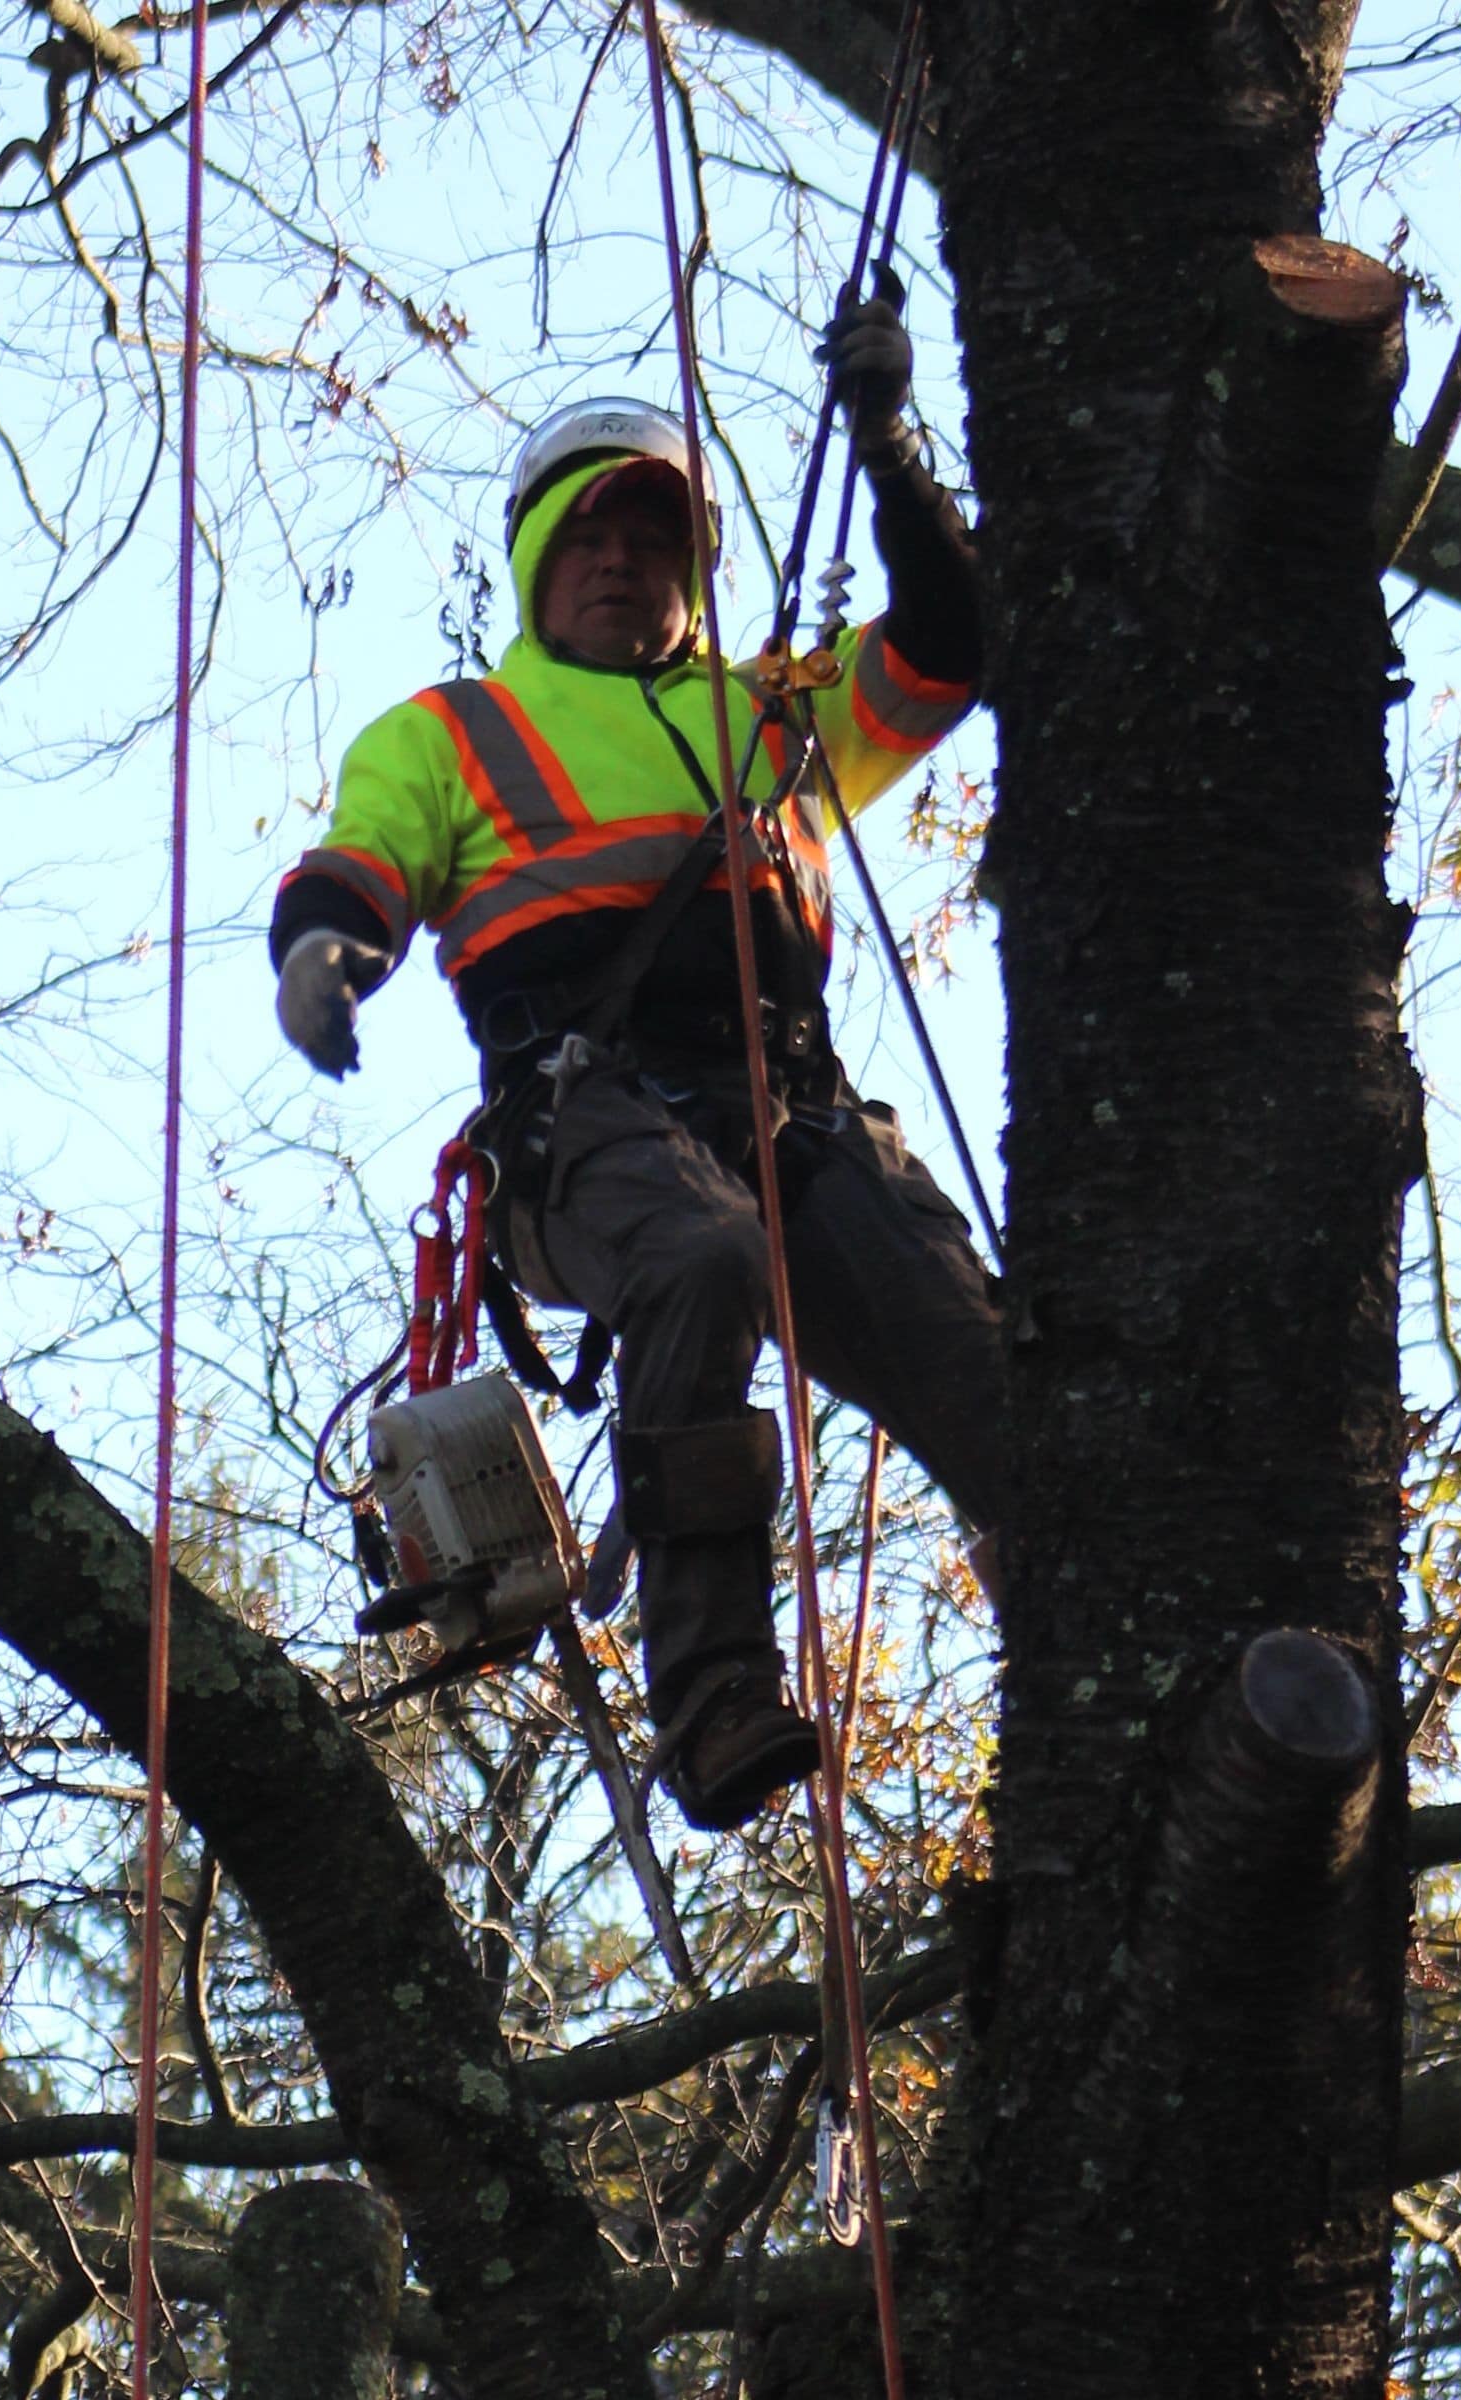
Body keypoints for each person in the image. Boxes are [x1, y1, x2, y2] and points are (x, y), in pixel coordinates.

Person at [270, 320, 1000, 1828]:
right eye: (585, 536)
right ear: (538, 563)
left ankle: (1099, 1643)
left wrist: (888, 451)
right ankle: (715, 1689)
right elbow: (364, 859)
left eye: (652, 537)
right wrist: (324, 955)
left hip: (788, 1102)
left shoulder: (775, 717)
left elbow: (949, 643)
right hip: (582, 1114)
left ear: (691, 567)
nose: (619, 562)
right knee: (700, 1254)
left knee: (980, 1365)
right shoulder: (457, 732)